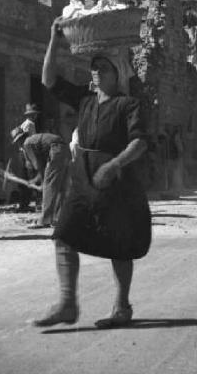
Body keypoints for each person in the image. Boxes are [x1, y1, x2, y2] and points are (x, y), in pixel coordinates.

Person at [35, 17, 151, 328]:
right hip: (82, 181)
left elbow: (140, 142)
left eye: (103, 68)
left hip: (115, 183)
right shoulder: (84, 100)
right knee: (63, 235)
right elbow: (48, 80)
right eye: (94, 68)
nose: (96, 73)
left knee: (120, 245)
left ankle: (122, 306)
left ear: (118, 73)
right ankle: (67, 303)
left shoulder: (129, 105)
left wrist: (114, 165)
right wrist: (54, 41)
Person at [10, 126, 70, 229]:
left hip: (55, 149)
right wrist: (39, 180)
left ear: (20, 139)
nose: (19, 144)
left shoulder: (27, 144)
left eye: (18, 141)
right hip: (64, 149)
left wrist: (41, 182)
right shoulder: (35, 140)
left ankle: (45, 220)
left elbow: (37, 165)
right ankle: (59, 219)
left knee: (49, 187)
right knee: (60, 187)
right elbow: (42, 167)